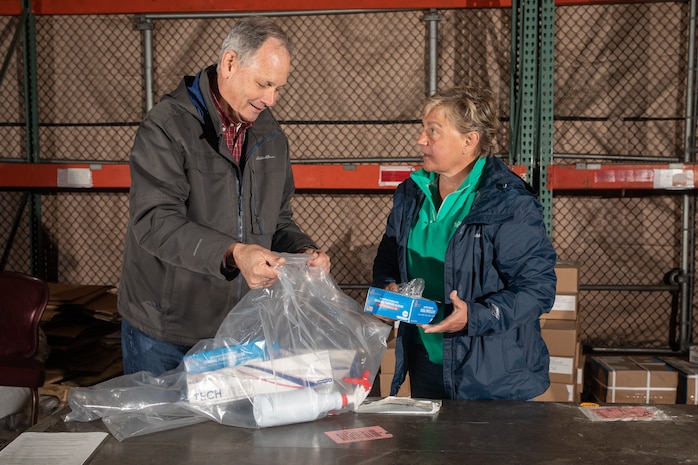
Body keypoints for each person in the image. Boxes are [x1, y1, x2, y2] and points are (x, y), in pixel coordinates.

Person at [117, 17, 330, 376]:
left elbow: (277, 220)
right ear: (230, 64)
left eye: (279, 88)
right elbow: (155, 221)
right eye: (264, 84)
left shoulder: (270, 135)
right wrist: (234, 253)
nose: (271, 99)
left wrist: (302, 251)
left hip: (239, 330)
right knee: (163, 433)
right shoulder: (167, 127)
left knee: (234, 432)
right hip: (168, 330)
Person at [371, 85, 557, 400]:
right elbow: (389, 257)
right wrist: (389, 286)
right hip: (427, 364)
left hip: (491, 376)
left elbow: (538, 290)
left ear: (469, 140)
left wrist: (475, 315)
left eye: (433, 131)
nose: (421, 140)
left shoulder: (507, 202)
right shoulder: (411, 193)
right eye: (422, 129)